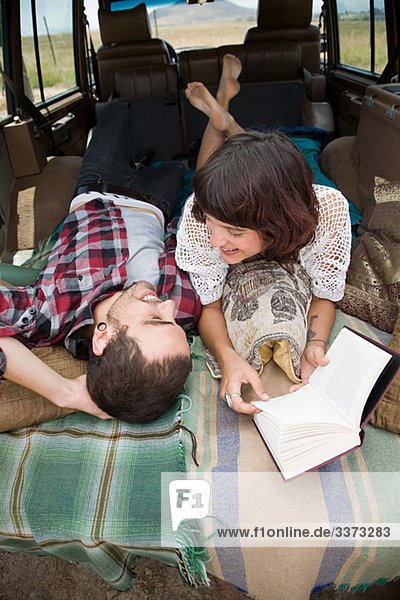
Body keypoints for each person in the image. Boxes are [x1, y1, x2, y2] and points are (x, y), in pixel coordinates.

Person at [0, 101, 200, 423]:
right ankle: (151, 159)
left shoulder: (51, 311)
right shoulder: (185, 305)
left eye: (155, 319)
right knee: (177, 164)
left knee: (117, 110)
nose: (170, 309)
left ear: (102, 337)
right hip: (155, 202)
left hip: (97, 185)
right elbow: (189, 233)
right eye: (175, 323)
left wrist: (64, 392)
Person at [176, 54, 352, 415]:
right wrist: (227, 358)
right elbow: (209, 306)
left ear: (276, 227)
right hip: (222, 195)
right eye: (213, 224)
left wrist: (314, 346)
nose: (214, 242)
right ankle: (221, 112)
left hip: (287, 200)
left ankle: (223, 112)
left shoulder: (327, 213)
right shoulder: (197, 217)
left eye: (234, 232)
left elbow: (324, 294)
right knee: (214, 174)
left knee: (266, 171)